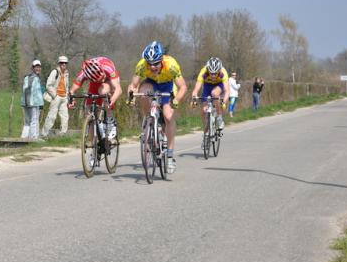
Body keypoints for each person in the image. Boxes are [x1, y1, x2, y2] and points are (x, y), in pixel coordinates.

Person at [127, 41, 187, 174]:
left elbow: (183, 87)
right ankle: (148, 122)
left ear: (161, 60)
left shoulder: (171, 65)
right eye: (150, 63)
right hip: (151, 83)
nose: (153, 67)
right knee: (143, 93)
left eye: (156, 63)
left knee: (168, 116)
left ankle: (170, 156)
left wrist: (176, 100)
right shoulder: (142, 65)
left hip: (167, 86)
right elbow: (133, 85)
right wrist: (130, 95)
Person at [68, 56, 123, 143]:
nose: (101, 79)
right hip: (94, 82)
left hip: (109, 79)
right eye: (99, 79)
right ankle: (94, 147)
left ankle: (110, 120)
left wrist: (112, 100)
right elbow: (72, 90)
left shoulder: (108, 67)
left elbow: (119, 90)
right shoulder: (84, 74)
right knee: (89, 108)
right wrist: (71, 99)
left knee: (103, 90)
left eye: (101, 77)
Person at [190, 57, 230, 131]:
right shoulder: (203, 72)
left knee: (214, 93)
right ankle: (206, 129)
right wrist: (193, 99)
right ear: (208, 70)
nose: (213, 76)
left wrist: (224, 102)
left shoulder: (223, 72)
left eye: (215, 73)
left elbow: (227, 91)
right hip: (207, 86)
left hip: (219, 85)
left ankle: (219, 117)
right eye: (211, 73)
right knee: (203, 110)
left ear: (219, 70)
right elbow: (196, 89)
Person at [42, 56, 70, 137]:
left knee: (65, 117)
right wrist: (55, 95)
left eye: (65, 63)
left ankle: (63, 134)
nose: (63, 64)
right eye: (62, 63)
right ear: (59, 63)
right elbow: (48, 85)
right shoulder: (55, 72)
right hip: (56, 97)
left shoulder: (66, 73)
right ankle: (44, 134)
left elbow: (67, 86)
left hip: (64, 97)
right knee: (51, 116)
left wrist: (67, 96)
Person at [20, 59, 44, 140]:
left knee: (27, 122)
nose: (38, 68)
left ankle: (24, 137)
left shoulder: (27, 77)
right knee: (34, 120)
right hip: (33, 103)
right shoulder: (35, 78)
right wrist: (41, 104)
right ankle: (34, 138)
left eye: (39, 67)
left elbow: (24, 90)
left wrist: (25, 102)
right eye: (36, 67)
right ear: (33, 68)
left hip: (25, 103)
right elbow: (37, 93)